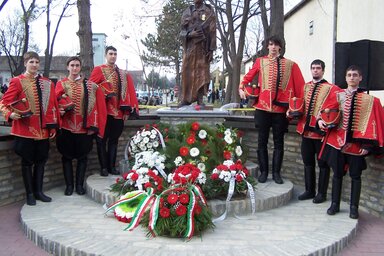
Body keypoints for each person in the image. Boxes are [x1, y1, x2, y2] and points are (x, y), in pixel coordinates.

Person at [319, 65, 384, 219]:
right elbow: (325, 111)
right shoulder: (337, 95)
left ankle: (353, 207)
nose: (352, 77)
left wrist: (368, 146)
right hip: (337, 143)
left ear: (360, 78)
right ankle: (335, 204)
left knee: (356, 176)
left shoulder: (371, 100)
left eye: (355, 75)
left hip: (356, 146)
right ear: (346, 78)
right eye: (349, 75)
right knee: (337, 175)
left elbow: (376, 123)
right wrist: (321, 120)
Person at [239, 35, 305, 184]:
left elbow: (301, 87)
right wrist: (241, 88)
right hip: (262, 108)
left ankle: (276, 173)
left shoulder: (290, 64)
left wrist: (296, 107)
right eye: (271, 44)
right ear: (267, 46)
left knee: (278, 142)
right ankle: (263, 172)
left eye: (276, 45)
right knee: (261, 141)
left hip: (280, 111)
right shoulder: (260, 61)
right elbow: (247, 77)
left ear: (280, 47)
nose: (273, 47)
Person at [0, 51, 59, 205]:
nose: (34, 65)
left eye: (36, 62)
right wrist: (10, 115)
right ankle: (30, 194)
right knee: (27, 162)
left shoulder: (46, 83)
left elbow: (52, 106)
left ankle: (39, 191)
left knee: (41, 161)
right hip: (25, 131)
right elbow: (4, 103)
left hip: (43, 130)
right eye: (31, 62)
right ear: (25, 63)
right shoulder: (17, 81)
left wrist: (52, 127)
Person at [290, 59, 341, 203]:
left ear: (323, 70)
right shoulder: (305, 87)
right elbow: (301, 105)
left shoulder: (332, 88)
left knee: (323, 164)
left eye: (318, 68)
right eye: (313, 68)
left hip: (321, 135)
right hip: (305, 132)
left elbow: (334, 107)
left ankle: (322, 194)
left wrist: (322, 116)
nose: (315, 70)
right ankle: (309, 190)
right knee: (308, 163)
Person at [55, 56, 107, 195]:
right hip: (66, 128)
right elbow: (54, 102)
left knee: (82, 158)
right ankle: (69, 186)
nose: (74, 68)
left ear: (80, 67)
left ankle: (79, 185)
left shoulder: (89, 85)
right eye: (72, 65)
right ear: (68, 67)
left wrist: (94, 126)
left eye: (77, 65)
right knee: (66, 158)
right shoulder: (61, 84)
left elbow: (97, 107)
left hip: (84, 129)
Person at [89, 46, 139, 177]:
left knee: (114, 140)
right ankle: (104, 167)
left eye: (115, 54)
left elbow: (129, 92)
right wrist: (103, 90)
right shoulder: (98, 69)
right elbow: (90, 88)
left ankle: (112, 167)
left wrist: (127, 112)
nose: (113, 56)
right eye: (110, 53)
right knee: (101, 140)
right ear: (106, 55)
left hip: (118, 113)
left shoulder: (122, 73)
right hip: (104, 112)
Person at [179, 0, 216, 107]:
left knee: (202, 73)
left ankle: (200, 99)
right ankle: (186, 99)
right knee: (186, 72)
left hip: (203, 49)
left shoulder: (209, 11)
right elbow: (181, 32)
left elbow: (213, 32)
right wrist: (190, 34)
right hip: (190, 49)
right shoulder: (187, 11)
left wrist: (211, 50)